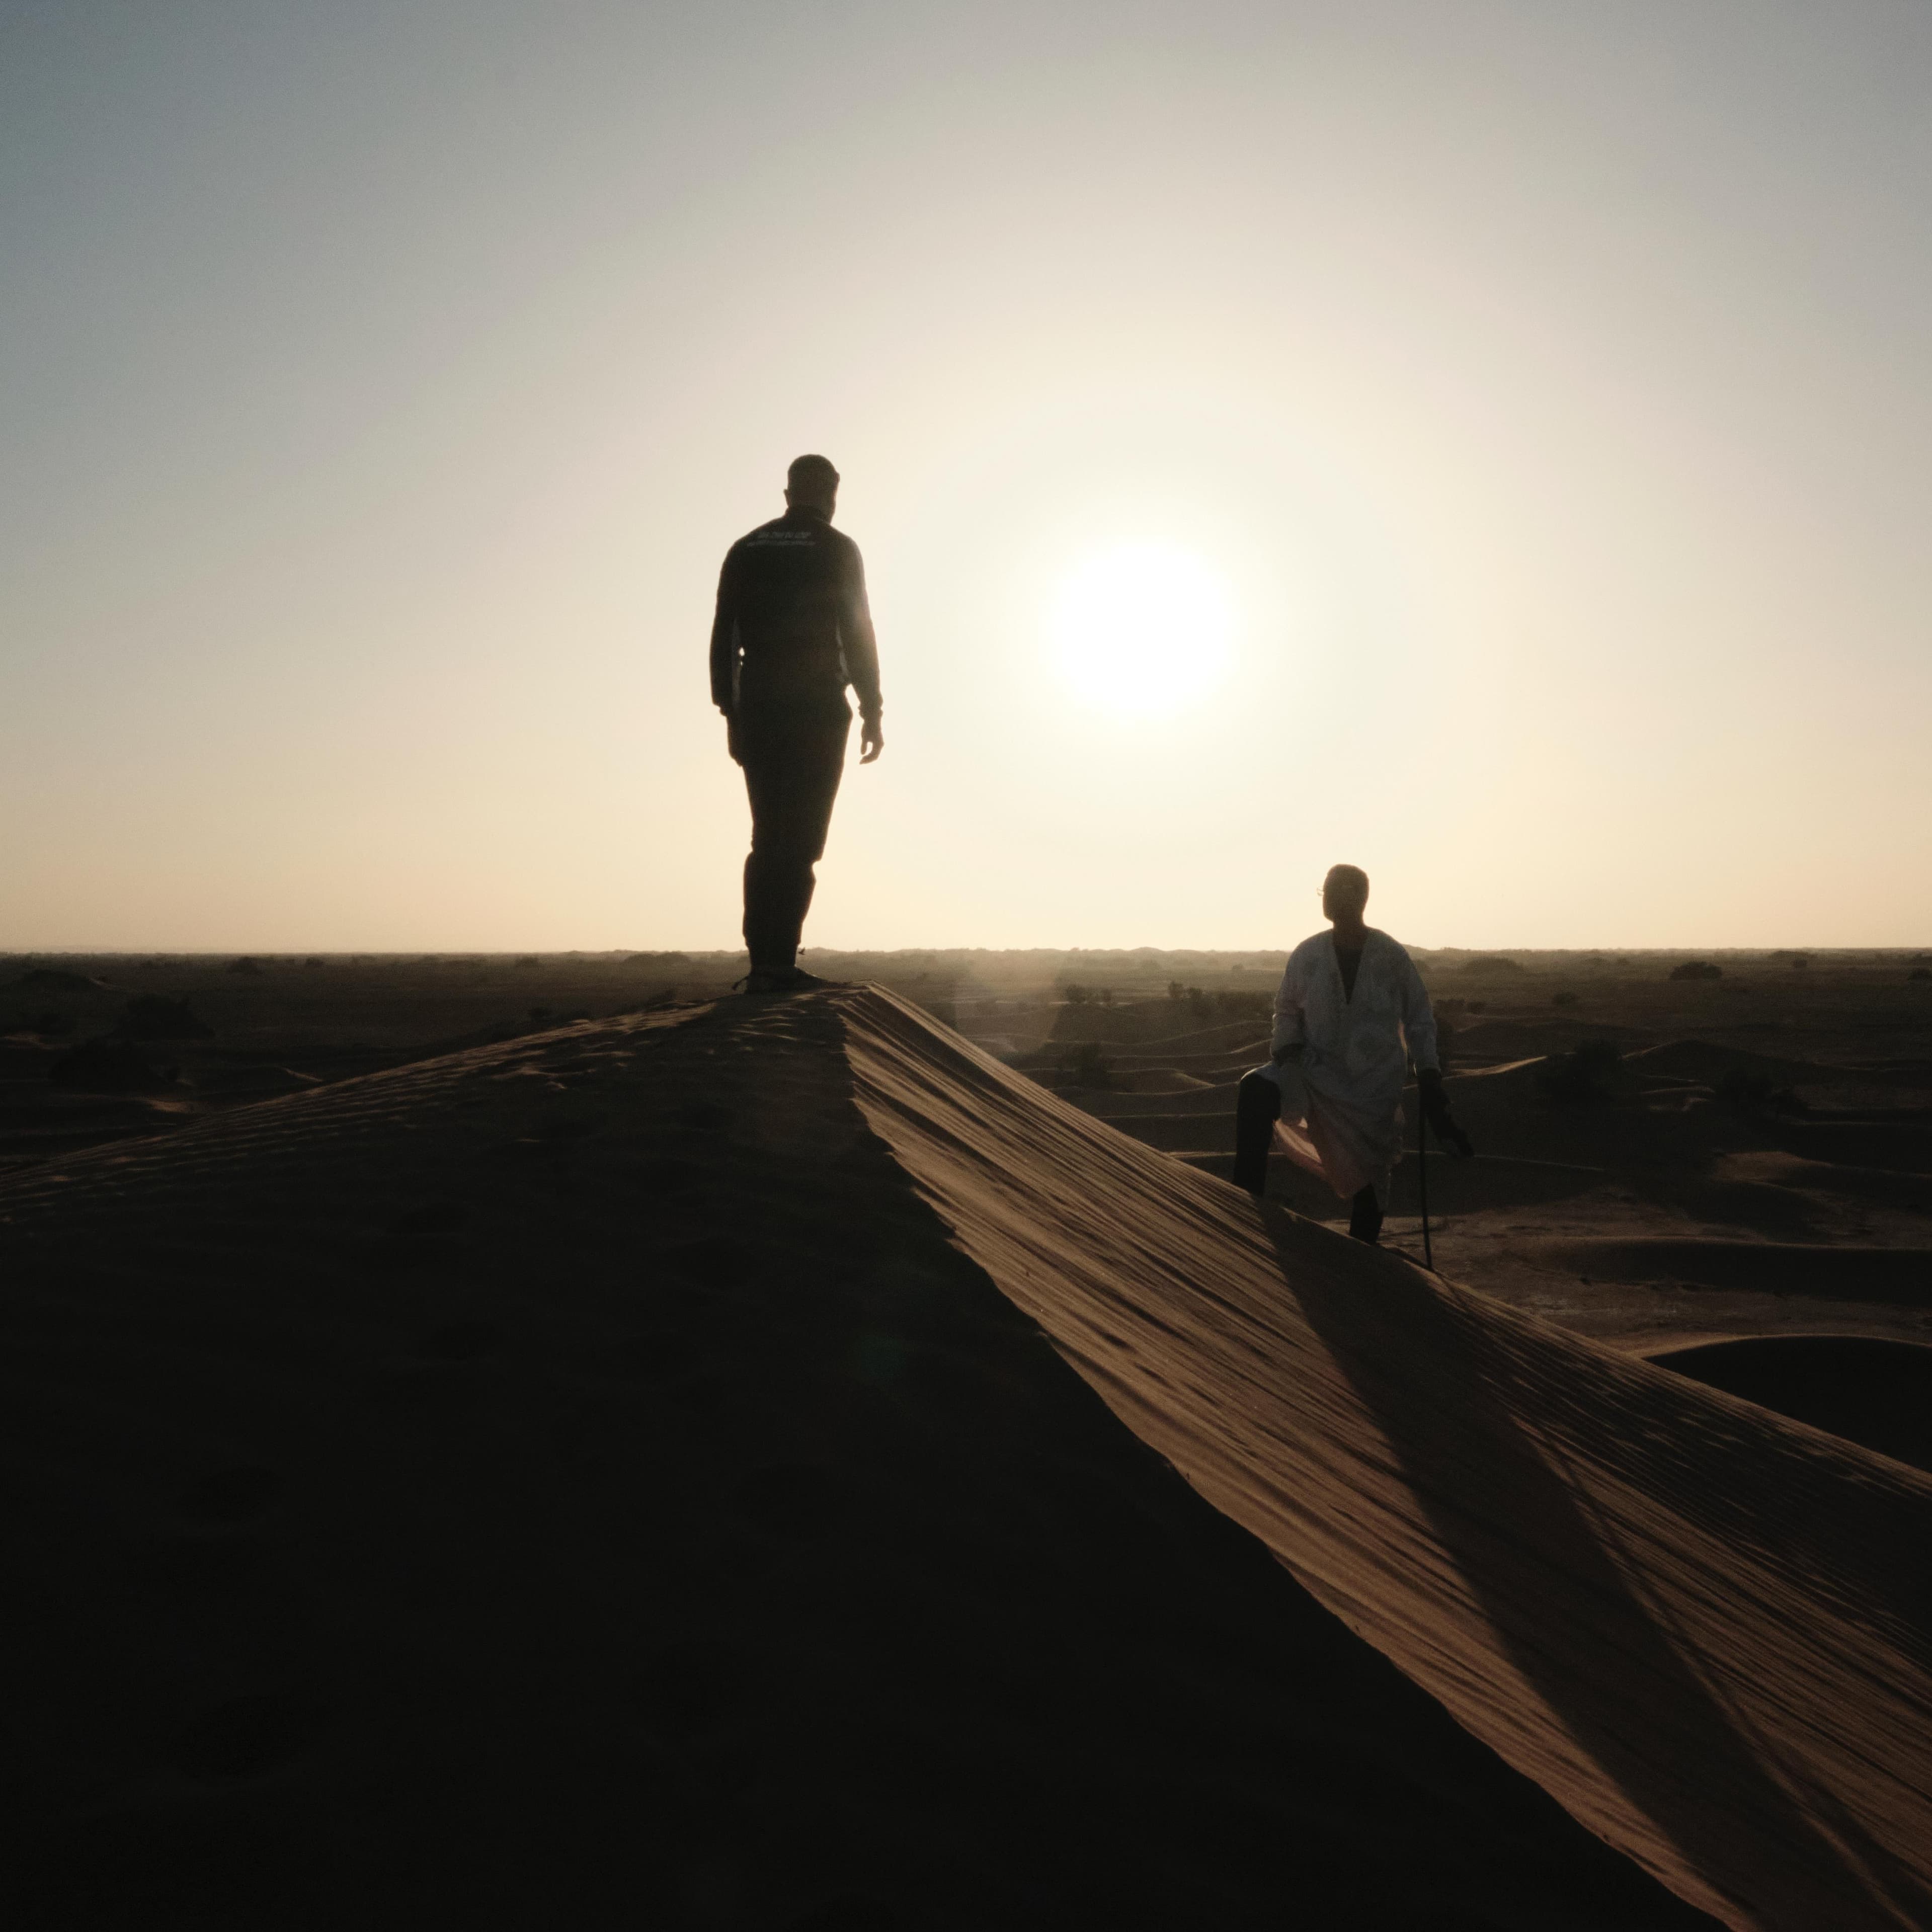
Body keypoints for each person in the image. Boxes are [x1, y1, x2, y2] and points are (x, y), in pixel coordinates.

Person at [709, 454, 883, 994]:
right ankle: (777, 964)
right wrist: (873, 707)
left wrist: (730, 712)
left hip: (759, 710)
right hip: (815, 711)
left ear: (788, 495)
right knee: (801, 841)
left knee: (769, 837)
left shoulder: (747, 548)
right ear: (831, 495)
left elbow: (723, 637)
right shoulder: (837, 548)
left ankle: (767, 961)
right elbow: (858, 630)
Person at [1233, 864, 1472, 1240]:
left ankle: (1365, 1262)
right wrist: (1289, 1058)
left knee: (1370, 1184)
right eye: (1324, 889)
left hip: (1372, 1087)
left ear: (1358, 896)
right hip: (1312, 1072)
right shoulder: (1308, 954)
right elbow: (1286, 1009)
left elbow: (1420, 1020)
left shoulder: (1391, 956)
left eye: (1334, 889)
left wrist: (1430, 1079)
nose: (1326, 897)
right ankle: (1242, 1215)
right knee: (1255, 1089)